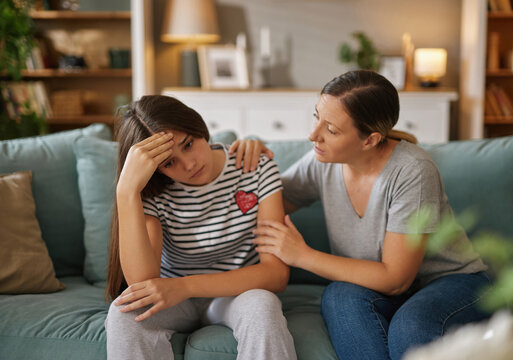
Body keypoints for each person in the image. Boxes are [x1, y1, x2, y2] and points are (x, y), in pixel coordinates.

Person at [231, 70, 490, 360]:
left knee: (410, 326)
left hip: (451, 283)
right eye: (316, 116)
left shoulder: (412, 170)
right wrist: (247, 157)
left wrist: (301, 255)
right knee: (339, 297)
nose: (313, 134)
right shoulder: (323, 160)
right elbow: (261, 202)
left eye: (331, 129)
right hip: (375, 288)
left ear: (369, 140)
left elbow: (396, 279)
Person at [105, 95, 296, 360]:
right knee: (124, 313)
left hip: (237, 293)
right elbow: (142, 283)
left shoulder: (255, 167)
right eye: (169, 163)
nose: (189, 164)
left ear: (198, 127)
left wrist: (185, 286)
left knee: (262, 306)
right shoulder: (153, 189)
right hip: (174, 300)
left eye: (188, 144)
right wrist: (126, 191)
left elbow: (275, 274)